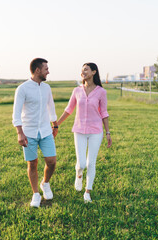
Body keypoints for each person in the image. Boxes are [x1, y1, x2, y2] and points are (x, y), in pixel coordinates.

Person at [57, 62, 112, 202]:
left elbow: (104, 112)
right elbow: (69, 109)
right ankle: (78, 174)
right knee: (81, 164)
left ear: (93, 72)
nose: (83, 72)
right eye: (82, 70)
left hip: (96, 131)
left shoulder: (101, 92)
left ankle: (87, 191)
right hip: (79, 130)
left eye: (86, 69)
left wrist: (108, 133)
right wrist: (56, 124)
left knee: (90, 163)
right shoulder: (77, 91)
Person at [12, 58, 59, 208]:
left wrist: (55, 125)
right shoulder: (22, 89)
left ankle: (45, 183)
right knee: (32, 164)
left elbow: (51, 107)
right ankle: (35, 194)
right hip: (28, 132)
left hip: (46, 131)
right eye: (46, 69)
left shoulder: (47, 88)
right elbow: (16, 113)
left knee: (51, 162)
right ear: (38, 70)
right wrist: (20, 133)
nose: (48, 71)